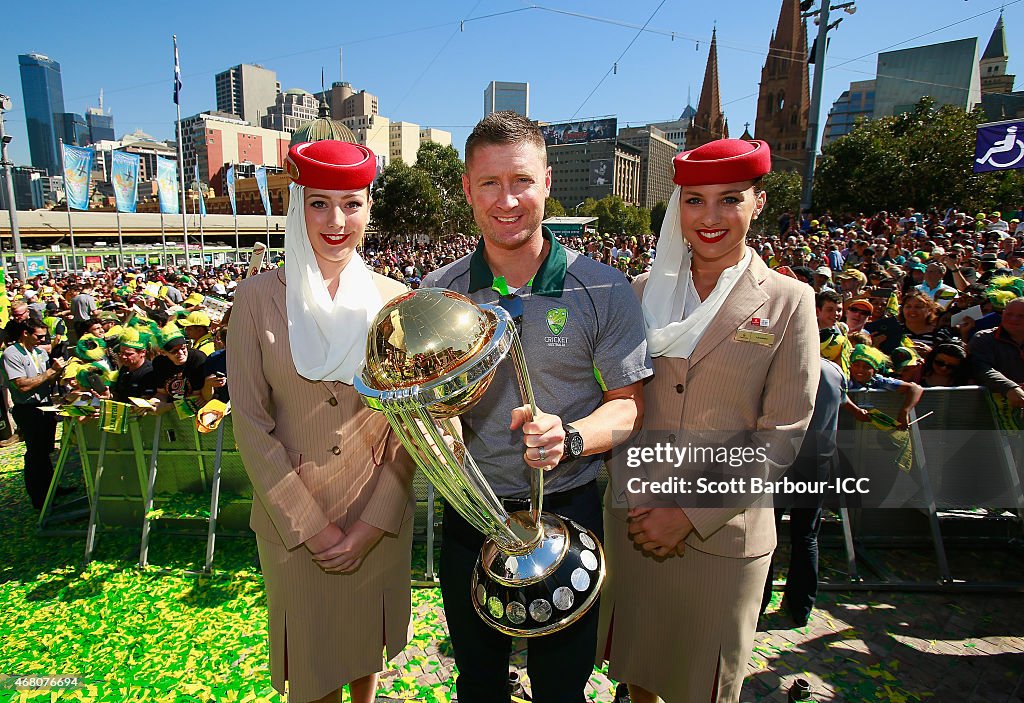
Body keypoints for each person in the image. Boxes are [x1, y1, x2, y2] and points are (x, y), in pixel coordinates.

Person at [422, 111, 651, 703]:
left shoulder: (604, 287)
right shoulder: (437, 294)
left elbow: (627, 407)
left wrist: (568, 437)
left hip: (571, 507)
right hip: (475, 515)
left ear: (547, 182)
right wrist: (437, 431)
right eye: (490, 183)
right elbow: (426, 404)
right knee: (477, 681)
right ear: (467, 190)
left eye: (521, 180)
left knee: (562, 685)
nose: (507, 200)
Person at [599, 138, 819, 703]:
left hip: (725, 532)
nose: (711, 217)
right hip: (639, 523)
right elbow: (623, 401)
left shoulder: (790, 300)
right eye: (695, 200)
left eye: (730, 199)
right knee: (640, 676)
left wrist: (690, 513)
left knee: (707, 688)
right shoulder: (642, 294)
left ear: (759, 203)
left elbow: (783, 435)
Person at [229, 139, 415, 703]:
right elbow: (251, 427)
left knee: (364, 658)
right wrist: (313, 525)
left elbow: (413, 425)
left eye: (352, 204)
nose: (337, 221)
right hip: (294, 527)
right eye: (320, 203)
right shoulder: (258, 299)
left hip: (376, 517)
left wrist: (372, 522)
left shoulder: (397, 300)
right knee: (310, 671)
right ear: (297, 207)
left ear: (369, 209)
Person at [760, 357, 846, 628]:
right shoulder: (834, 371)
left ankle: (759, 602)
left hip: (784, 460)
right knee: (806, 535)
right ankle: (801, 607)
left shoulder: (787, 367)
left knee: (768, 532)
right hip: (817, 462)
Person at [2, 318, 65, 509]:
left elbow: (46, 379)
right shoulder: (11, 354)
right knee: (35, 454)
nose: (43, 339)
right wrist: (49, 373)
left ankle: (51, 487)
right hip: (28, 409)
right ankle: (38, 497)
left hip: (45, 406)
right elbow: (22, 385)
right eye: (39, 336)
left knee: (45, 452)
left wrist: (59, 372)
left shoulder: (39, 352)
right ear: (25, 334)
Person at [969, 297, 1024, 410]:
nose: (1013, 319)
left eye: (1021, 316)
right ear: (1002, 314)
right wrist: (1009, 388)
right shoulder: (984, 338)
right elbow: (981, 368)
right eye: (1009, 314)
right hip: (990, 412)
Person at [111, 328, 157, 403]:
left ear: (143, 353)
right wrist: (109, 396)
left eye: (129, 354)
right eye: (121, 353)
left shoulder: (150, 372)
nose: (123, 357)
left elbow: (147, 400)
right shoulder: (125, 367)